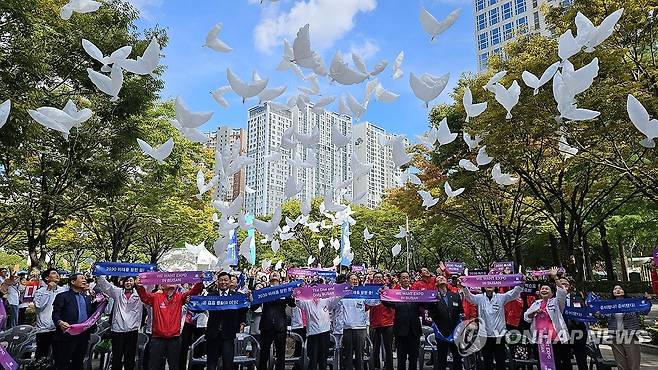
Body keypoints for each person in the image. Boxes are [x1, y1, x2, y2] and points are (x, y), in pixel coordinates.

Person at [136, 275, 204, 370]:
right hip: (157, 338)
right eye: (168, 281)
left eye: (173, 281)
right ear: (162, 285)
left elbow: (193, 292)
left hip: (174, 339)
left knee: (174, 366)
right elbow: (144, 297)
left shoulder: (180, 297)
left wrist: (200, 281)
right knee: (154, 366)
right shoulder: (156, 297)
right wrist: (139, 287)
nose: (171, 282)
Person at [460, 278, 523, 370]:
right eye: (487, 284)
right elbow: (469, 297)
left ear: (496, 286)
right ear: (483, 286)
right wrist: (464, 286)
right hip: (484, 336)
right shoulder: (479, 298)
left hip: (499, 335)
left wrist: (520, 283)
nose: (489, 285)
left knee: (500, 361)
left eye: (491, 283)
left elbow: (513, 294)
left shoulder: (501, 297)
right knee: (487, 361)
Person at [51, 273, 100, 370]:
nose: (84, 280)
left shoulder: (87, 298)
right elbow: (55, 314)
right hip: (66, 335)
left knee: (78, 362)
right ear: (73, 282)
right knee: (63, 363)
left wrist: (100, 302)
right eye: (81, 278)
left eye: (85, 278)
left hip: (83, 336)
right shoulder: (63, 296)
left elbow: (91, 313)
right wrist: (60, 322)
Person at [523, 268, 569, 370]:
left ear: (552, 293)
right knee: (542, 364)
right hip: (540, 340)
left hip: (555, 339)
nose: (544, 290)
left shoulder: (556, 302)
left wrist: (555, 277)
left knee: (557, 363)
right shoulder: (536, 304)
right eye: (542, 289)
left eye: (547, 289)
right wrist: (534, 312)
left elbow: (562, 292)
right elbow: (526, 317)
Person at [96, 275, 143, 370]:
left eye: (131, 281)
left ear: (134, 282)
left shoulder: (140, 294)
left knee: (129, 357)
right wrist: (99, 272)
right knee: (116, 356)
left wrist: (154, 273)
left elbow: (149, 286)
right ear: (123, 282)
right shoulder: (117, 292)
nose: (128, 283)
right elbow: (106, 285)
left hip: (132, 330)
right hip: (117, 330)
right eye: (126, 281)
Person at [251, 272, 295, 370]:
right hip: (266, 326)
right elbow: (253, 308)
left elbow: (292, 304)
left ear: (280, 278)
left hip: (280, 326)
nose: (275, 274)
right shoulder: (264, 291)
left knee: (280, 355)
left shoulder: (284, 291)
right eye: (273, 273)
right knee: (264, 354)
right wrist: (256, 295)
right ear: (269, 278)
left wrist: (293, 295)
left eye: (277, 274)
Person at [205, 271, 248, 370]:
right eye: (221, 280)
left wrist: (242, 322)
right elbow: (200, 306)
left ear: (229, 282)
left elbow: (243, 311)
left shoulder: (236, 296)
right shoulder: (211, 296)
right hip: (213, 334)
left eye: (226, 280)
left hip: (228, 334)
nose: (223, 282)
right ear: (218, 282)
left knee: (228, 364)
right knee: (211, 364)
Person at [337, 273, 379, 370]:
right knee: (348, 354)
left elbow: (372, 302)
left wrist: (380, 295)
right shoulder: (343, 294)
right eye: (353, 279)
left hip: (360, 328)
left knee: (360, 355)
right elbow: (334, 305)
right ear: (347, 281)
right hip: (347, 328)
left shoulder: (362, 293)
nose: (355, 281)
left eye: (356, 279)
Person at [294, 282, 340, 370]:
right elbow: (298, 302)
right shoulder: (306, 302)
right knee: (313, 359)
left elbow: (337, 298)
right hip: (312, 333)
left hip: (325, 332)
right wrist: (297, 294)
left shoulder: (326, 300)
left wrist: (344, 290)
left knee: (323, 359)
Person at [382, 271, 422, 370]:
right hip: (401, 331)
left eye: (407, 277)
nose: (405, 279)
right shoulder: (395, 294)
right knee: (401, 359)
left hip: (414, 331)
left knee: (413, 358)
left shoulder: (416, 293)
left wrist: (433, 298)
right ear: (399, 280)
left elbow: (425, 305)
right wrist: (383, 295)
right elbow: (388, 303)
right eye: (403, 278)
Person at [604, 284, 650, 370]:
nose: (617, 290)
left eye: (620, 288)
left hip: (630, 336)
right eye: (615, 289)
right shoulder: (609, 305)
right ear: (612, 292)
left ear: (624, 291)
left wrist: (647, 301)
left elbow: (644, 311)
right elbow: (601, 316)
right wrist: (592, 308)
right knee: (621, 365)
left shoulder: (631, 303)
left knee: (634, 364)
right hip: (615, 336)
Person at [425, 275, 463, 370]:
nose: (441, 278)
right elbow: (430, 312)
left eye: (443, 277)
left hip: (455, 332)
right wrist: (432, 301)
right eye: (438, 278)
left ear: (446, 281)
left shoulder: (455, 296)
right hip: (441, 333)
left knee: (457, 358)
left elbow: (461, 312)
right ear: (436, 284)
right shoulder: (433, 297)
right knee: (441, 359)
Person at [33, 268, 66, 358]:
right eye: (54, 273)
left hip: (59, 327)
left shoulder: (63, 290)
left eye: (58, 273)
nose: (57, 275)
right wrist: (48, 290)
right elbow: (39, 307)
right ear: (47, 278)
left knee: (58, 355)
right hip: (44, 329)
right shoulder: (40, 291)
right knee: (41, 355)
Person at [368, 271, 395, 370]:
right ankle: (375, 365)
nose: (378, 279)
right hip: (374, 323)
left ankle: (389, 366)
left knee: (388, 348)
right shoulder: (369, 290)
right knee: (374, 347)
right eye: (376, 277)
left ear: (383, 279)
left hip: (388, 322)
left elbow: (394, 306)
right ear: (373, 279)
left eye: (380, 277)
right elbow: (366, 306)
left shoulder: (389, 290)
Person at [559, 278, 588, 370]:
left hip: (578, 331)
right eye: (561, 283)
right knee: (565, 358)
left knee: (581, 359)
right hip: (562, 332)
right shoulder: (555, 299)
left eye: (566, 283)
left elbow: (585, 311)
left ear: (570, 285)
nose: (564, 284)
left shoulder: (578, 297)